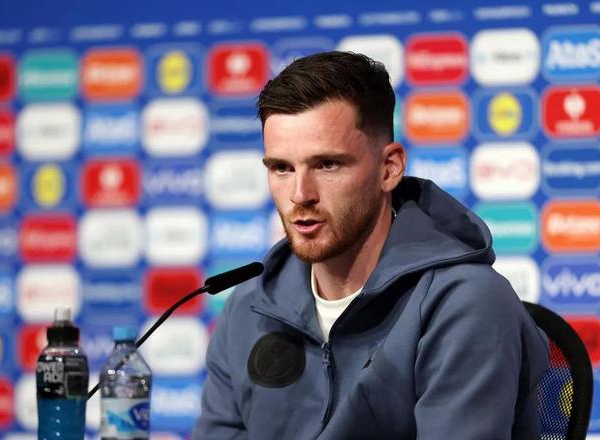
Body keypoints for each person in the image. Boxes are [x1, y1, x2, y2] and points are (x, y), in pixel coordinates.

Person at [193, 51, 548, 439]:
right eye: (282, 168)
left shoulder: (464, 303)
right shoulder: (249, 307)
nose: (300, 194)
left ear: (389, 168)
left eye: (327, 165)